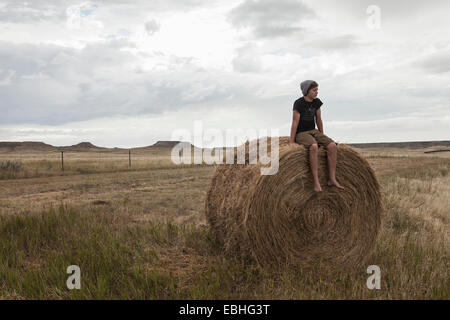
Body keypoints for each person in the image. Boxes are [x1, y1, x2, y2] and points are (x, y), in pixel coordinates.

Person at [289, 80, 344, 192]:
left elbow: (318, 120)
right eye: (314, 90)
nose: (316, 92)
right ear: (307, 91)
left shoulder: (317, 102)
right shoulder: (298, 103)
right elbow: (294, 122)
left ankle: (332, 179)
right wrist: (291, 141)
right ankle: (316, 182)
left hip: (313, 131)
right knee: (313, 146)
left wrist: (322, 137)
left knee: (332, 145)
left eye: (317, 90)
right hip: (301, 133)